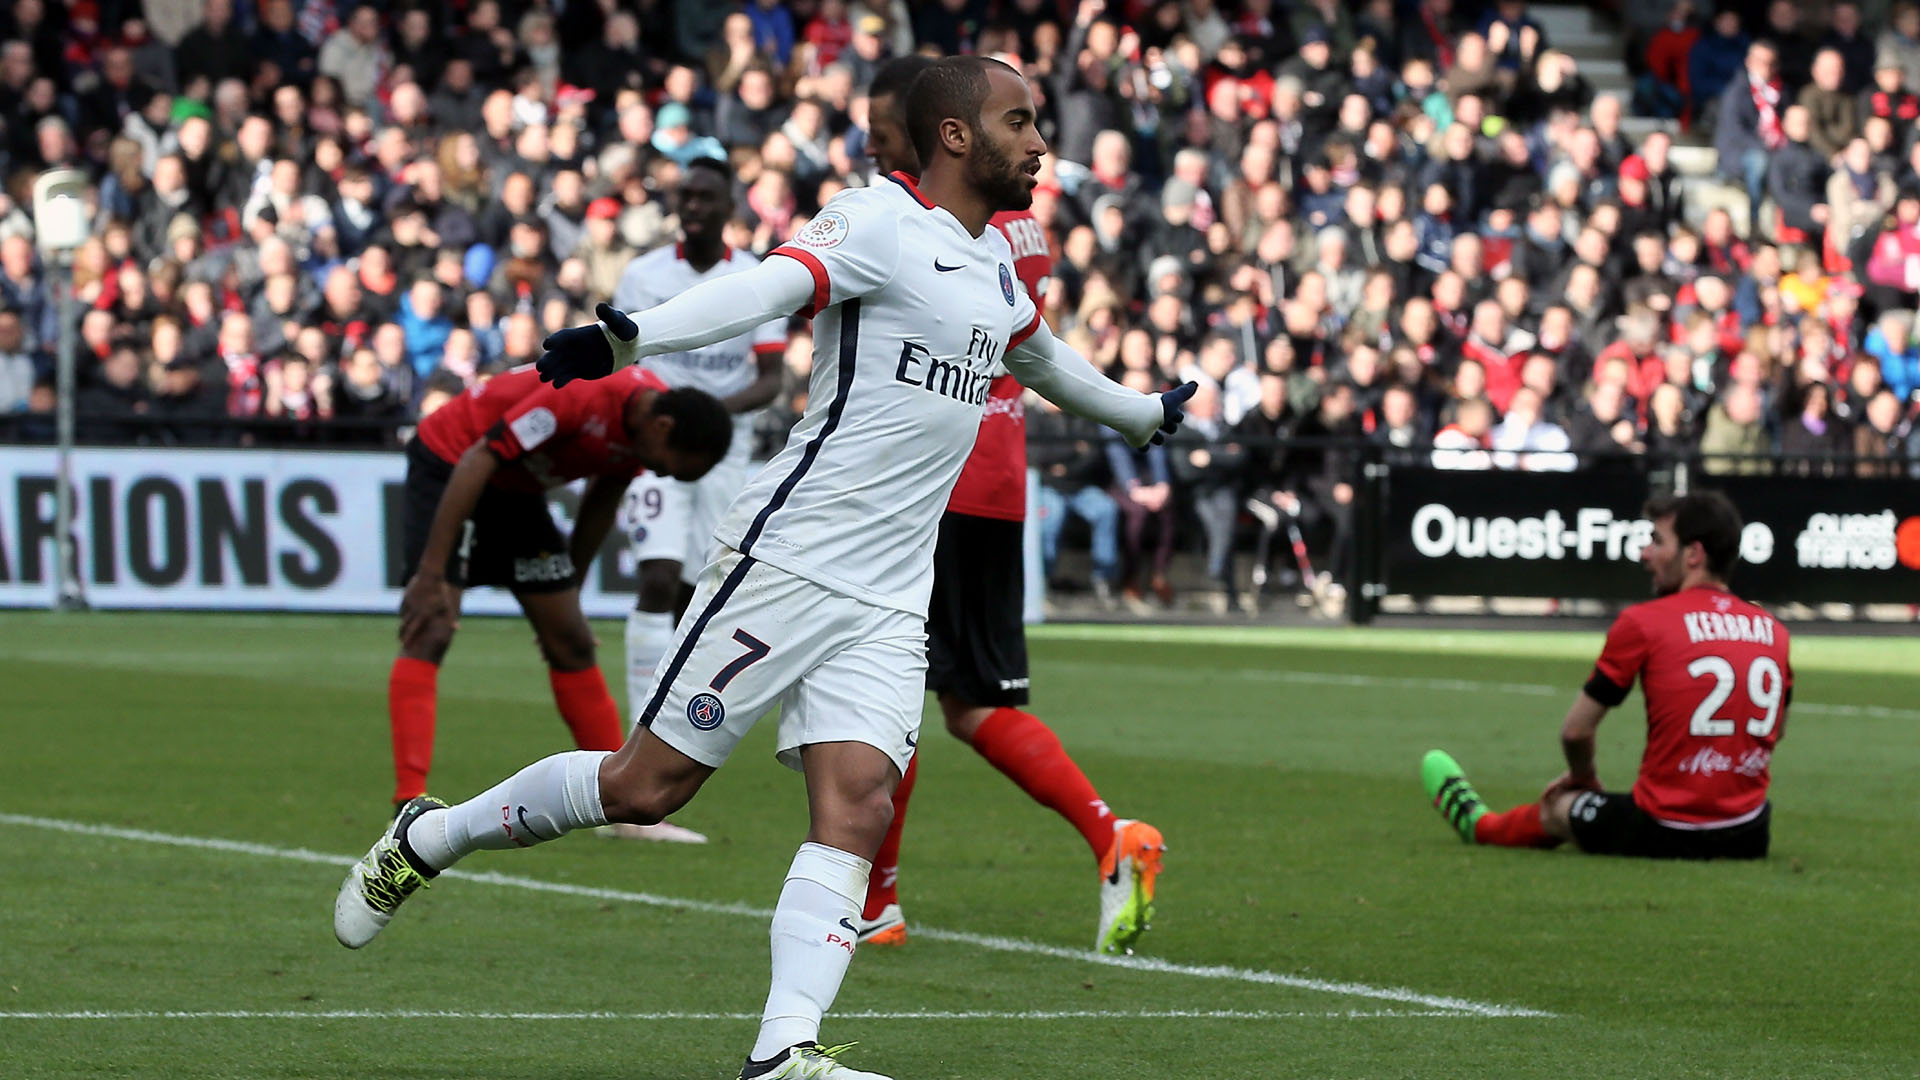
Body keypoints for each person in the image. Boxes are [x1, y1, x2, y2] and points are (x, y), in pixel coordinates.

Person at [334, 56, 1194, 1080]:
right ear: (957, 136)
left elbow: (1044, 361)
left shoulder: (995, 268)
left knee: (860, 805)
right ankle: (429, 840)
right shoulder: (877, 222)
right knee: (647, 788)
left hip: (887, 597)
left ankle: (782, 1052)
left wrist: (1143, 417)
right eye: (1020, 122)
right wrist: (629, 338)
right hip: (790, 563)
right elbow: (768, 286)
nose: (1039, 143)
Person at [851, 54, 1167, 957]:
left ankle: (876, 897)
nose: (878, 155)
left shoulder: (930, 224)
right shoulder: (1017, 225)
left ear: (935, 130)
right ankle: (1109, 835)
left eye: (884, 138)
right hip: (998, 469)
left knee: (892, 685)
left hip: (935, 472)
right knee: (972, 699)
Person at [382, 364, 732, 810]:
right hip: (454, 464)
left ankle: (618, 799)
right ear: (662, 427)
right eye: (665, 466)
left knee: (571, 640)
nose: (660, 474)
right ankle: (409, 800)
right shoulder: (581, 395)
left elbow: (603, 499)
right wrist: (429, 575)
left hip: (516, 488)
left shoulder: (645, 423)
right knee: (429, 626)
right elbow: (481, 457)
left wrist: (573, 586)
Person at [1422, 491, 1791, 860]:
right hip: (1749, 834)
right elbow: (1776, 732)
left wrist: (1582, 779)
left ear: (1693, 555)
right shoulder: (1774, 630)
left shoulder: (1644, 622)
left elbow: (1575, 731)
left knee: (1559, 806)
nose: (1645, 553)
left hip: (1662, 831)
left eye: (1657, 541)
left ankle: (1481, 825)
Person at [612, 159, 787, 813]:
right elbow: (622, 359)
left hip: (723, 452)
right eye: (685, 195)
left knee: (696, 595)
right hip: (656, 444)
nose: (692, 205)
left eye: (705, 197)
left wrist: (710, 417)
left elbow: (772, 381)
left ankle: (665, 734)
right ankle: (633, 743)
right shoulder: (644, 273)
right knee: (656, 579)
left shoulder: (756, 278)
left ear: (727, 207)